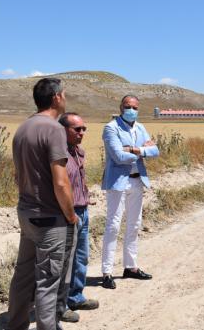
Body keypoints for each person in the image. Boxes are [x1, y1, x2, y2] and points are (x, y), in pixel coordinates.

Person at [7, 77, 79, 329]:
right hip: (50, 218)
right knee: (48, 283)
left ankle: (15, 324)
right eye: (65, 94)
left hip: (26, 213)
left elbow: (19, 175)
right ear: (57, 97)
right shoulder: (54, 129)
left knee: (23, 277)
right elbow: (60, 183)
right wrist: (70, 215)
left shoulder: (23, 128)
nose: (66, 98)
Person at [101, 94, 159, 289]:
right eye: (127, 106)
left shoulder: (140, 127)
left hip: (137, 181)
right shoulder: (111, 128)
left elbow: (156, 151)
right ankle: (107, 271)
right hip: (118, 182)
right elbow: (117, 156)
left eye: (134, 107)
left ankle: (130, 267)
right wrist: (143, 150)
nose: (131, 110)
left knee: (134, 225)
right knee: (113, 226)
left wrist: (134, 149)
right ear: (120, 107)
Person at [58, 113, 100, 312]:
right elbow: (59, 186)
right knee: (65, 261)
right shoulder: (58, 155)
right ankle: (60, 305)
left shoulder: (78, 152)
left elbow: (77, 181)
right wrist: (69, 212)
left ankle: (75, 296)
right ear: (63, 130)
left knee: (81, 257)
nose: (82, 133)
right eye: (77, 129)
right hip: (68, 213)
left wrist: (84, 197)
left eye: (84, 129)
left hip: (82, 210)